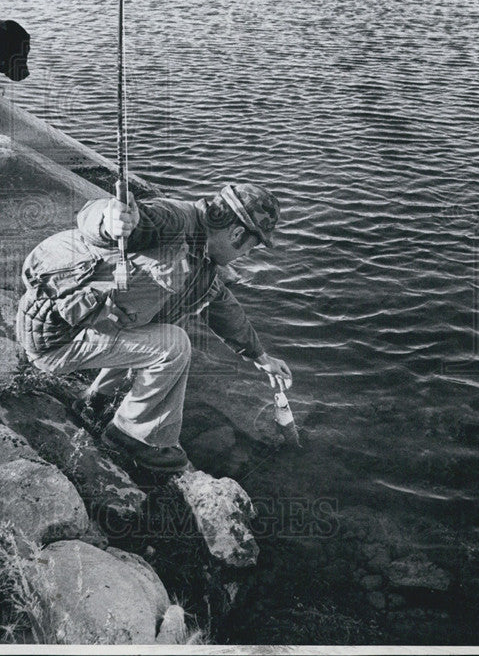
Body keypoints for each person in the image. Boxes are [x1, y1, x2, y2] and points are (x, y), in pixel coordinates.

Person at [15, 182, 292, 472]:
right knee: (175, 344)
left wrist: (261, 357)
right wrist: (111, 221)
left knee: (168, 315)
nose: (246, 255)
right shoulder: (174, 219)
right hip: (56, 336)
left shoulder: (203, 258)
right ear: (236, 234)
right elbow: (112, 221)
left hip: (80, 330)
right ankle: (133, 436)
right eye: (251, 247)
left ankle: (95, 401)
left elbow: (221, 305)